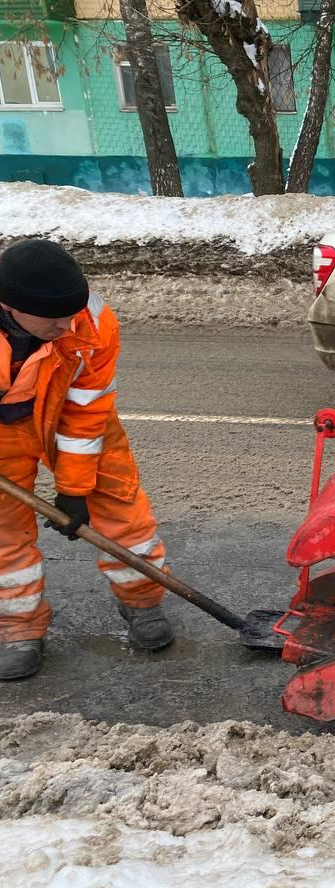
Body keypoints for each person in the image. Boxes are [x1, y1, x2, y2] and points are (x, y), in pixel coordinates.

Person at [0, 239, 172, 680]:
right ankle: (18, 628)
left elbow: (86, 410)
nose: (65, 325)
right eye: (52, 319)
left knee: (120, 506)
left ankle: (143, 602)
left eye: (69, 314)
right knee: (2, 532)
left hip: (69, 416)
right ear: (10, 306)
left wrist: (74, 491)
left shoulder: (91, 324)